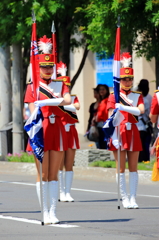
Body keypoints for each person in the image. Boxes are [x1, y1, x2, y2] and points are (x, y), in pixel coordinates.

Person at [24, 35, 71, 224]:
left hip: (57, 130)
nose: (47, 70)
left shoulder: (60, 84)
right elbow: (31, 110)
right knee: (43, 173)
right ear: (38, 67)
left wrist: (47, 101)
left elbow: (68, 100)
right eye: (44, 67)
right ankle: (44, 211)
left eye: (50, 67)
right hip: (39, 130)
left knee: (54, 173)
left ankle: (53, 211)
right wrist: (40, 106)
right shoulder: (32, 86)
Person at [107, 52, 144, 209]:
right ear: (119, 80)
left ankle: (133, 197)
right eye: (124, 79)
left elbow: (141, 110)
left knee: (134, 167)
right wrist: (113, 136)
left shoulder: (137, 95)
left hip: (133, 131)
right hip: (119, 132)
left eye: (129, 79)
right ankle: (124, 197)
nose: (127, 81)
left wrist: (125, 107)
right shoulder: (113, 96)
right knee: (121, 167)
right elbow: (110, 118)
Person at [56, 62, 80, 202]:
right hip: (59, 131)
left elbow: (77, 106)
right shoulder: (54, 99)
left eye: (67, 85)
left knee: (69, 164)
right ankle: (60, 191)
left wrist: (66, 103)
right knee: (59, 164)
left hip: (70, 132)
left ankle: (68, 192)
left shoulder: (73, 97)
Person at [136, 79, 152, 162]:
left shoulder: (140, 99)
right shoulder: (150, 97)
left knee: (139, 145)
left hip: (139, 125)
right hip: (147, 125)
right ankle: (146, 159)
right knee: (146, 145)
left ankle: (141, 160)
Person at [94, 84, 110, 149]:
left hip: (104, 123)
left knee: (103, 143)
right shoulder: (100, 101)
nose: (101, 91)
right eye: (100, 89)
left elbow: (100, 114)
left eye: (103, 89)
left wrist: (97, 119)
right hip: (101, 123)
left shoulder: (106, 100)